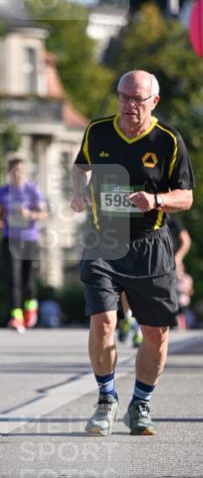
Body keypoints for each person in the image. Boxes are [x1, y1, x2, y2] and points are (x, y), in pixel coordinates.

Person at [71, 70, 194, 436]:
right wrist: (79, 191)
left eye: (137, 99)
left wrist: (155, 199)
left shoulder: (169, 141)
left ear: (153, 102)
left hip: (150, 243)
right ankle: (106, 399)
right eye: (124, 96)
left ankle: (140, 403)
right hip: (104, 239)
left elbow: (186, 196)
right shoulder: (98, 131)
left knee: (156, 332)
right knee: (103, 321)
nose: (129, 105)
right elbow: (81, 167)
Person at [0, 158, 48, 332]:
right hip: (10, 238)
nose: (17, 173)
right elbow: (1, 213)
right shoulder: (2, 192)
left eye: (20, 170)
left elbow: (43, 214)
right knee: (13, 278)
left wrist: (29, 214)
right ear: (9, 172)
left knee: (28, 280)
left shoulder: (33, 191)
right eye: (14, 170)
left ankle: (30, 309)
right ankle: (16, 316)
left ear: (25, 171)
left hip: (29, 239)